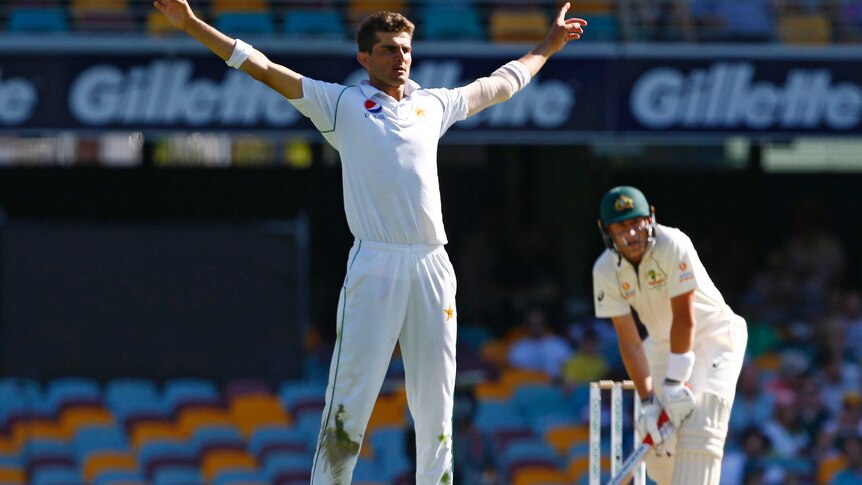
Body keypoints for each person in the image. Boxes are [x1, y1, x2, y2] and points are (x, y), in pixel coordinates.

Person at [153, 2, 587, 483]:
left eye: (406, 49)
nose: (400, 58)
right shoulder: (339, 104)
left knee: (437, 404)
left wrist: (549, 45)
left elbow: (501, 84)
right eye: (388, 50)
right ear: (365, 58)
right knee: (349, 400)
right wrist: (193, 25)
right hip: (375, 262)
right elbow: (264, 68)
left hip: (431, 262)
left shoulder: (432, 105)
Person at [591, 186, 748, 485]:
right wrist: (649, 400)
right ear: (606, 230)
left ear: (650, 218)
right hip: (662, 343)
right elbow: (629, 340)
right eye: (621, 226)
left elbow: (684, 318)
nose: (632, 233)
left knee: (701, 428)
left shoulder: (672, 243)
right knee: (657, 443)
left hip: (713, 336)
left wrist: (676, 382)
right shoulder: (605, 270)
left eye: (637, 222)